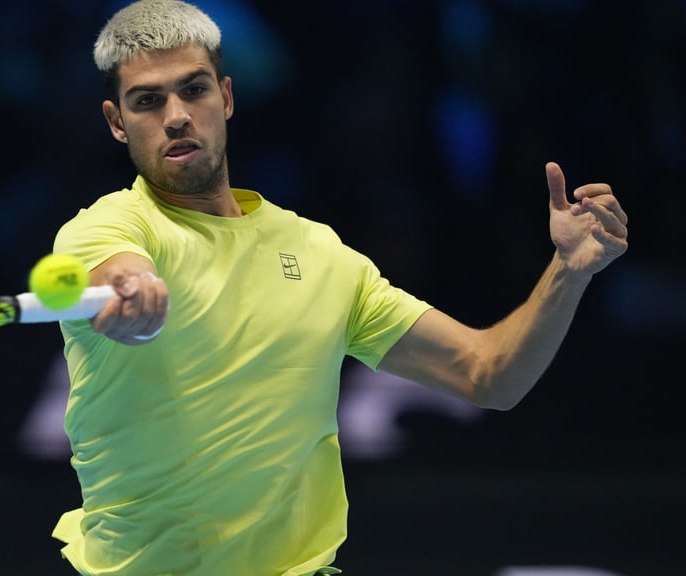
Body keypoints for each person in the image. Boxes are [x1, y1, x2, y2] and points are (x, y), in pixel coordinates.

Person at [49, 1, 629, 574]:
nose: (176, 116)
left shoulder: (319, 253)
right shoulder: (106, 227)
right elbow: (120, 272)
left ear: (225, 97)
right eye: (147, 100)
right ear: (117, 122)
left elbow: (489, 374)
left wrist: (568, 270)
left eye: (193, 90)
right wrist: (133, 293)